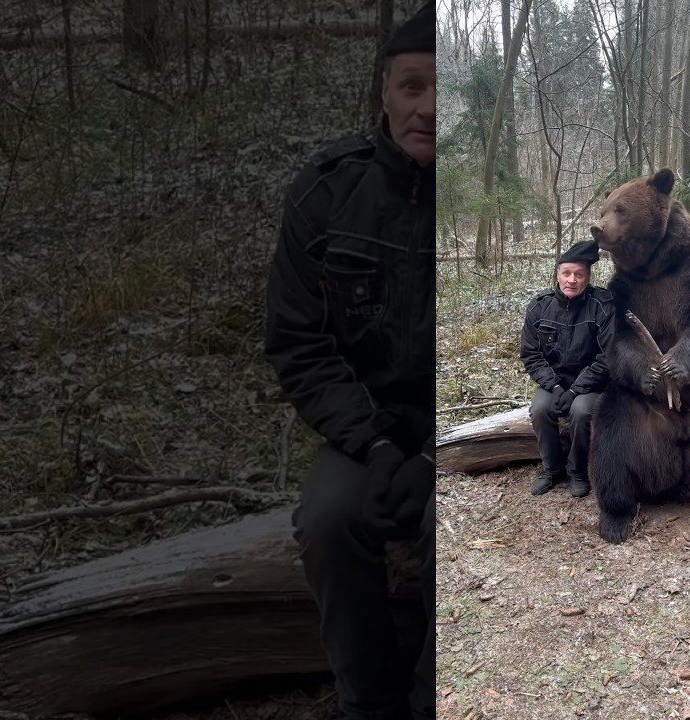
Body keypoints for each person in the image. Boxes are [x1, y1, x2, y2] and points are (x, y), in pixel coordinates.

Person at [262, 6, 435, 720]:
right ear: (384, 92)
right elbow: (298, 341)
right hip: (362, 430)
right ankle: (369, 705)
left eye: (444, 88)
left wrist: (435, 456)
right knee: (330, 519)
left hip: (450, 439)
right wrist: (375, 442)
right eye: (411, 86)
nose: (427, 108)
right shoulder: (327, 192)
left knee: (451, 533)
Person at [519, 240, 614, 498]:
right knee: (539, 409)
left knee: (582, 412)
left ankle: (577, 472)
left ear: (588, 277)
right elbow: (530, 354)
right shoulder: (540, 306)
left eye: (579, 274)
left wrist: (574, 391)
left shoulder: (603, 306)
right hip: (555, 381)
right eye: (567, 273)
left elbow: (608, 358)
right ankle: (551, 469)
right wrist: (556, 386)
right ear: (558, 274)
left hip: (590, 384)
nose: (572, 280)